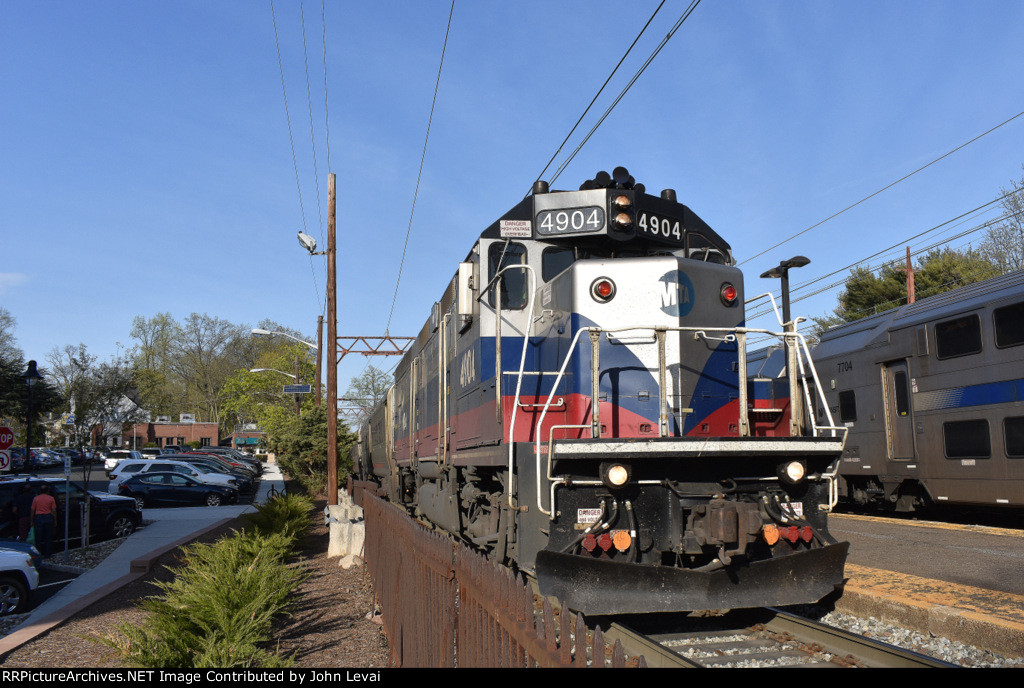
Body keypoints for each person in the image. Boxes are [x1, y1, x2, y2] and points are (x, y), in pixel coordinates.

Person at [30, 484, 58, 558]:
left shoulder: (36, 498)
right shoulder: (51, 498)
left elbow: (32, 510)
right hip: (48, 517)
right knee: (48, 537)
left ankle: (38, 553)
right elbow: (54, 510)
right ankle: (47, 554)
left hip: (38, 518)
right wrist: (55, 520)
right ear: (47, 491)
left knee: (38, 537)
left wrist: (32, 520)